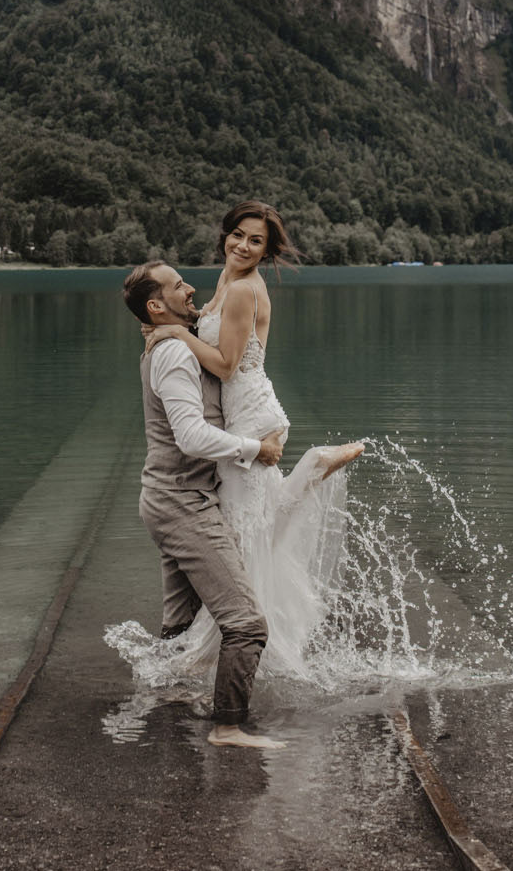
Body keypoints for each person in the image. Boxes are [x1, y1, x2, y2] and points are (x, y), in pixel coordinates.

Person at [108, 203, 363, 695]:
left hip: (247, 412)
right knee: (253, 523)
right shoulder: (226, 282)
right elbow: (212, 338)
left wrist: (175, 331)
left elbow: (225, 365)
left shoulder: (244, 288)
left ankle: (227, 643)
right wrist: (175, 326)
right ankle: (313, 468)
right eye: (238, 236)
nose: (243, 247)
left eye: (256, 242)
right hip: (243, 413)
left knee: (248, 534)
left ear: (267, 251)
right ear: (225, 235)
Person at [120, 258, 287, 748]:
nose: (188, 289)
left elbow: (221, 311)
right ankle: (229, 727)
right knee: (246, 626)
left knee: (182, 622)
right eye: (177, 286)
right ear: (156, 305)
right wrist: (259, 450)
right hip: (182, 502)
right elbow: (191, 437)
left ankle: (164, 694)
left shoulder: (175, 342)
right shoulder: (173, 355)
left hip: (170, 497)